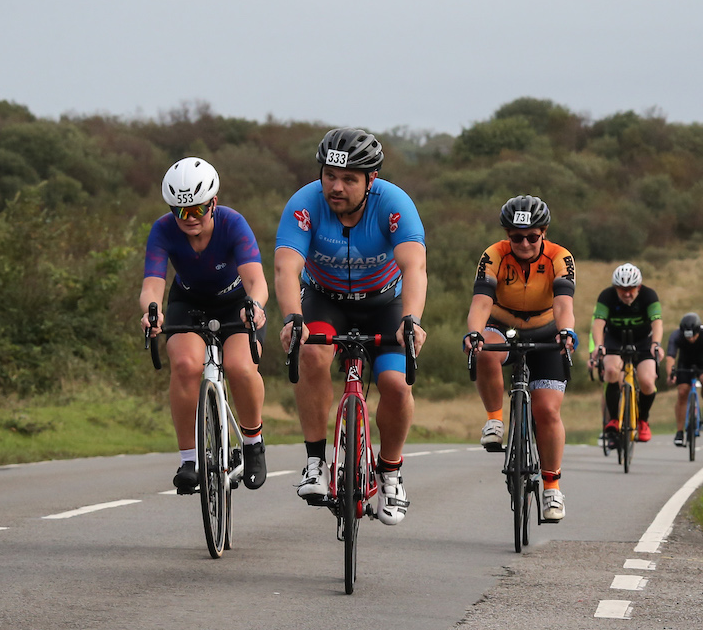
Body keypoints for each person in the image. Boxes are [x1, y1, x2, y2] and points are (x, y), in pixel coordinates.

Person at [274, 128, 427, 526]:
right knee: (310, 352)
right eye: (329, 176)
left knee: (396, 384)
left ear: (370, 180)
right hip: (326, 300)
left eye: (349, 179)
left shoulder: (394, 204)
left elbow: (415, 267)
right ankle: (314, 462)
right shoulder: (305, 204)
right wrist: (292, 316)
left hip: (384, 304)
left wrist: (412, 320)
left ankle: (390, 474)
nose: (336, 187)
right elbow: (286, 266)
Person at [140, 157, 269, 494]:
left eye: (197, 209)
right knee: (184, 365)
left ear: (214, 202)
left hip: (236, 303)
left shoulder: (233, 223)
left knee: (240, 366)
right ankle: (189, 459)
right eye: (181, 211)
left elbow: (256, 280)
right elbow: (152, 284)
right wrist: (152, 312)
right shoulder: (163, 229)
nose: (190, 219)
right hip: (188, 302)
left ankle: (253, 442)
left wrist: (254, 306)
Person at [464, 195, 578, 522]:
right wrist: (474, 332)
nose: (524, 243)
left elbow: (564, 304)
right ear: (506, 235)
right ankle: (495, 420)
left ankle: (552, 488)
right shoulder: (494, 255)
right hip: (502, 324)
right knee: (485, 347)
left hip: (545, 329)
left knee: (546, 410)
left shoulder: (560, 256)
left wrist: (566, 331)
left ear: (543, 233)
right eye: (516, 237)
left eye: (532, 237)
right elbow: (481, 301)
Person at [591, 263, 664, 445]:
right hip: (615, 340)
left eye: (631, 289)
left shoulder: (649, 295)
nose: (627, 294)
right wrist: (599, 346)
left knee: (647, 381)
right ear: (615, 288)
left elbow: (657, 323)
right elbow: (598, 323)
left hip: (642, 341)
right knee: (611, 372)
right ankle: (614, 419)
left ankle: (643, 420)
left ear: (638, 287)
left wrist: (656, 344)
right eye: (622, 290)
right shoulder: (606, 296)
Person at [665, 313, 703, 446]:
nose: (690, 339)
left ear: (698, 331)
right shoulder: (676, 335)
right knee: (682, 392)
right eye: (687, 336)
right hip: (685, 363)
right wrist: (670, 374)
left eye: (693, 336)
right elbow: (670, 358)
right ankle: (679, 432)